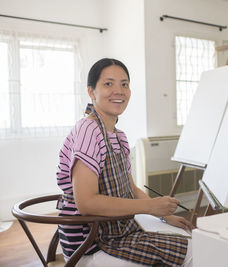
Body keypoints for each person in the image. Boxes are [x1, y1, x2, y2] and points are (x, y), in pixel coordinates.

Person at [56, 58, 193, 266]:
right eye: (108, 83)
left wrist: (163, 214)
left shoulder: (119, 136)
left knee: (185, 237)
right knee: (192, 252)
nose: (118, 91)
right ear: (91, 92)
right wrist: (150, 208)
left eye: (124, 84)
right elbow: (86, 203)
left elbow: (130, 188)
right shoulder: (88, 129)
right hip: (91, 243)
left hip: (116, 230)